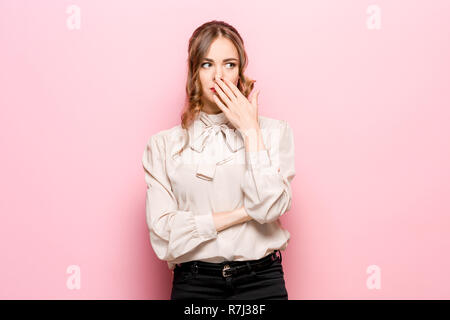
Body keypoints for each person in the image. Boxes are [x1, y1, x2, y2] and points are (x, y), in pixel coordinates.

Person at [141, 20, 296, 300]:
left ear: (240, 71)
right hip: (195, 284)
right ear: (194, 72)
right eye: (207, 64)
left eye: (229, 64)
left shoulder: (273, 133)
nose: (219, 76)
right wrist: (245, 213)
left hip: (261, 282)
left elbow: (270, 209)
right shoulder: (163, 145)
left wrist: (250, 131)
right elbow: (164, 235)